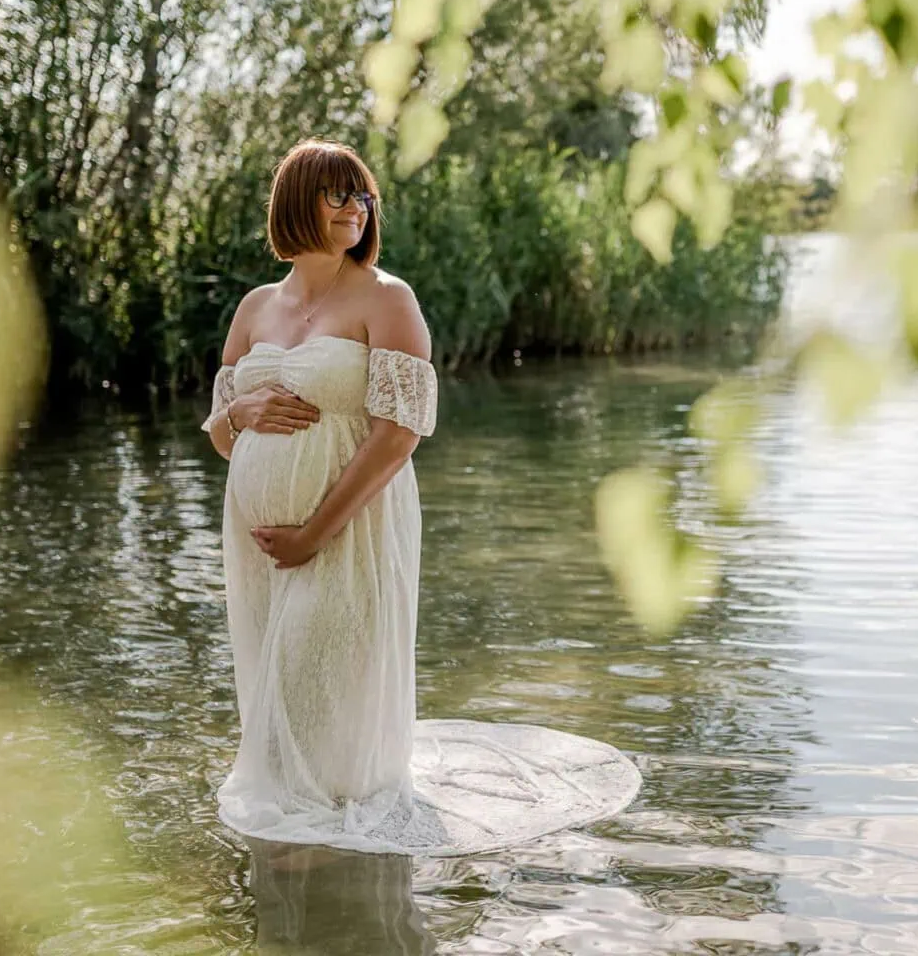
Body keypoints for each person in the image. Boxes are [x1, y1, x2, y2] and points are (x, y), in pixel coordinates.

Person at [202, 138, 640, 856]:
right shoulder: (254, 308)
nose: (355, 207)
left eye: (362, 195)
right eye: (336, 194)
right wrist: (238, 416)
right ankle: (297, 875)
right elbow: (223, 436)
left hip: (351, 528)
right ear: (295, 204)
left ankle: (320, 867)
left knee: (307, 679)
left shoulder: (387, 298)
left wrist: (313, 533)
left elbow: (399, 434)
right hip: (255, 541)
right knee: (282, 699)